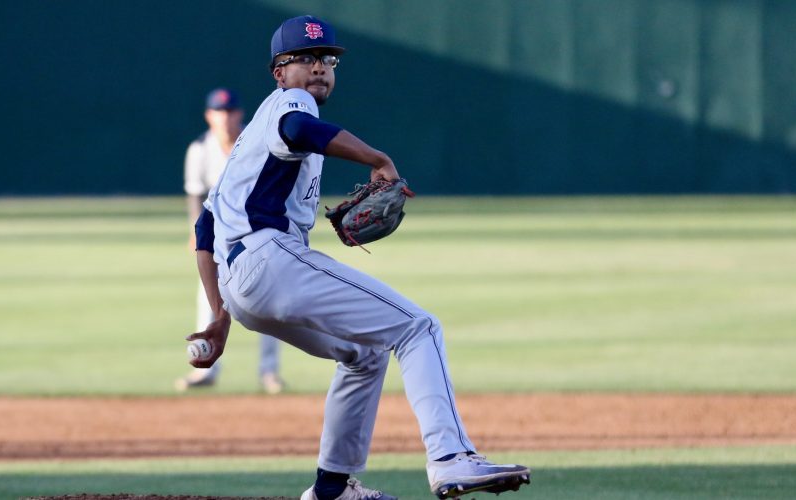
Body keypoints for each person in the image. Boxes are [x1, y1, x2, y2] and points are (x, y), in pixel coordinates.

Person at [188, 15, 531, 499]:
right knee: (418, 326)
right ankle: (451, 459)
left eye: (327, 59)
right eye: (303, 59)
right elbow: (300, 127)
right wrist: (376, 158)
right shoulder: (290, 104)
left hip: (244, 284)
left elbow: (205, 230)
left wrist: (220, 313)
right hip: (270, 259)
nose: (318, 68)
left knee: (365, 354)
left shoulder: (247, 141)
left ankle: (331, 488)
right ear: (279, 73)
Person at [176, 88, 286, 395]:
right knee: (208, 300)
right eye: (218, 112)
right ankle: (206, 369)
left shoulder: (255, 140)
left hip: (256, 230)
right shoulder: (199, 148)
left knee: (267, 304)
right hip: (217, 235)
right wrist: (195, 232)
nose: (225, 118)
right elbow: (195, 194)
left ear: (240, 114)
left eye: (230, 111)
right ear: (209, 116)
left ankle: (269, 373)